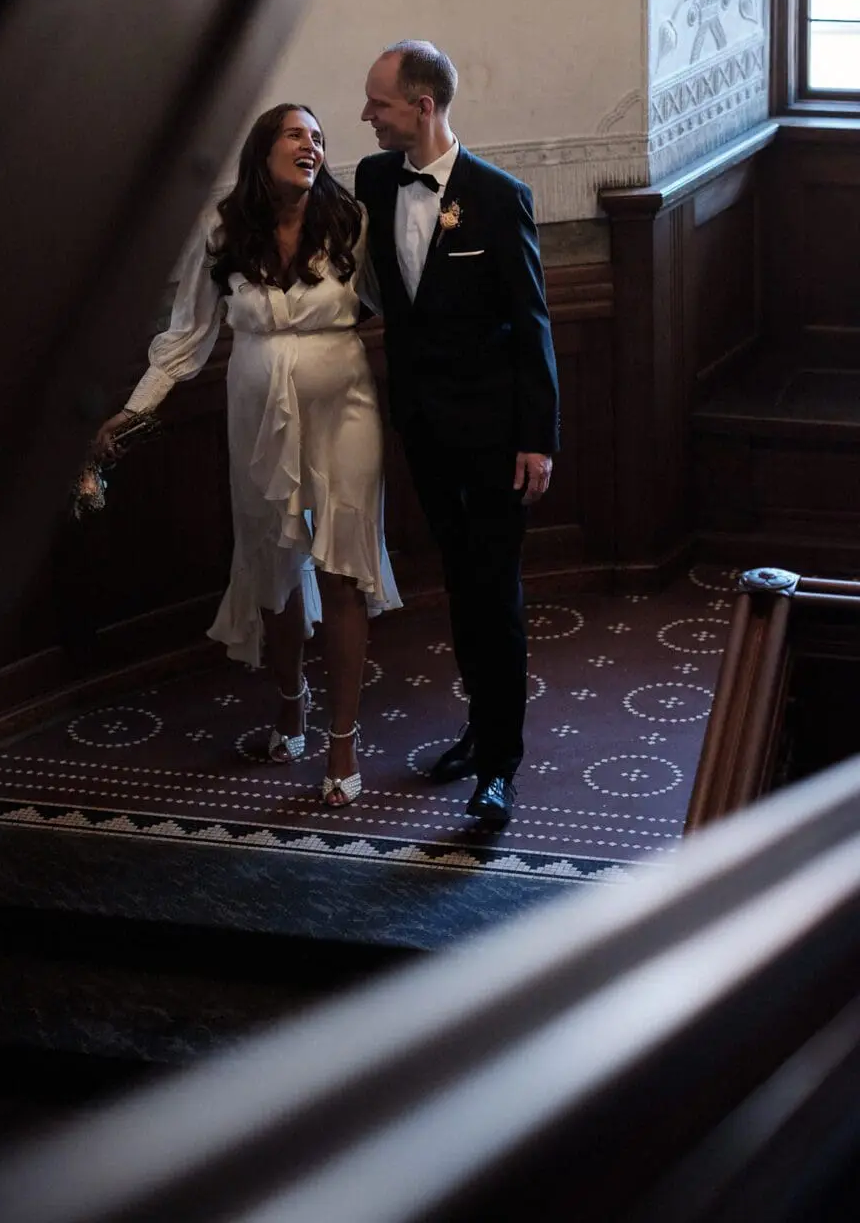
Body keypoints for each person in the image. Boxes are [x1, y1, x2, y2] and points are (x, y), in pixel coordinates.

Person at [94, 104, 401, 806]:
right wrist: (135, 409)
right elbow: (186, 338)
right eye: (297, 134)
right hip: (256, 413)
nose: (312, 145)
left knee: (346, 564)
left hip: (345, 407)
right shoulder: (223, 232)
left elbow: (401, 303)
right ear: (264, 150)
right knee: (274, 563)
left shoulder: (351, 222)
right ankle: (290, 708)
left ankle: (343, 743)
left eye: (319, 138)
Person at [356, 40, 558, 830]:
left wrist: (538, 439)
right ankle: (477, 730)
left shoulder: (498, 197)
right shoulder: (375, 179)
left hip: (499, 438)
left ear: (423, 107)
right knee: (461, 587)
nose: (366, 115)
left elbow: (534, 322)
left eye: (378, 103)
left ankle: (500, 764)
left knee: (494, 594)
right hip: (424, 430)